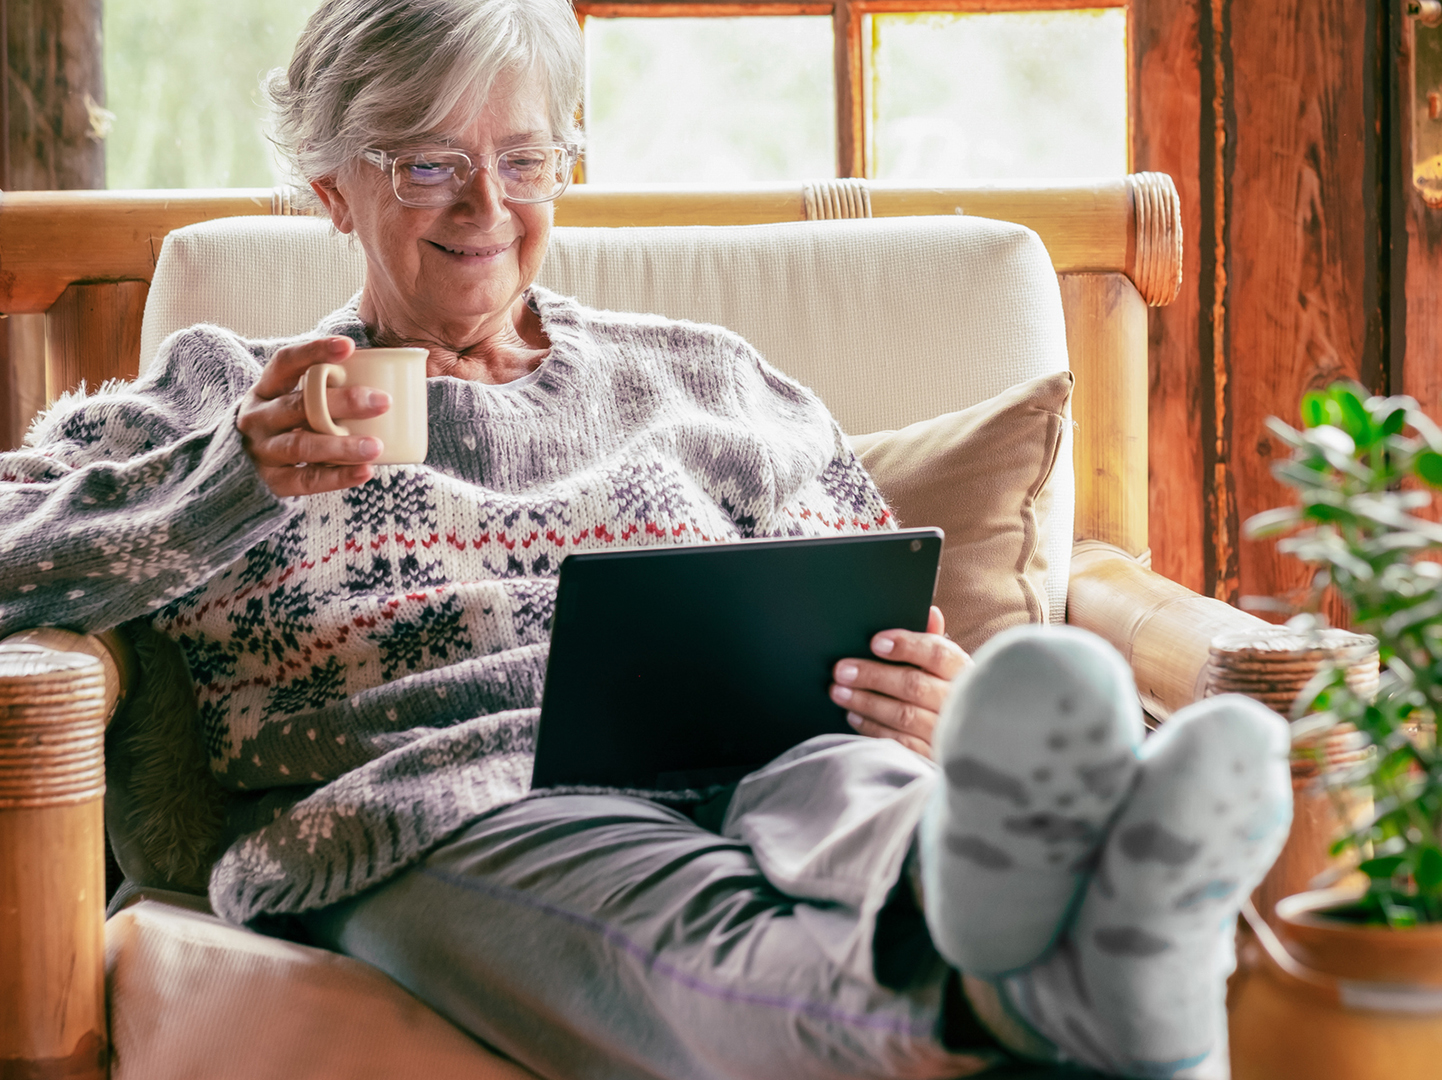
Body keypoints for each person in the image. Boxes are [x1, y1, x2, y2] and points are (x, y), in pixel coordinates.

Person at [0, 0, 1293, 1076]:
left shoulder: (706, 379)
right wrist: (230, 479)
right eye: (427, 161)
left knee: (864, 797)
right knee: (677, 915)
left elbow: (867, 589)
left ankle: (1028, 890)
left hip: (774, 751)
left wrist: (930, 695)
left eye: (523, 158)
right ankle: (1046, 995)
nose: (485, 206)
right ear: (332, 183)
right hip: (448, 801)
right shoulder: (226, 396)